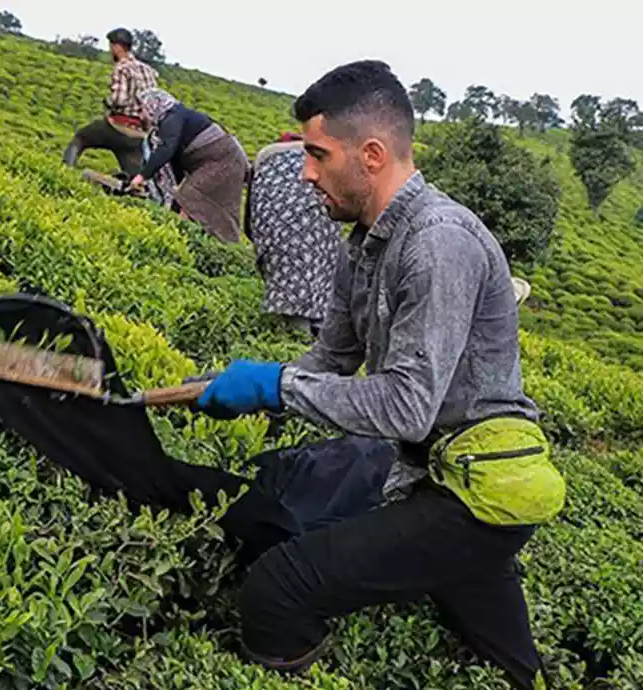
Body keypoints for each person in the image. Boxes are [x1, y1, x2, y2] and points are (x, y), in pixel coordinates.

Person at [190, 60, 565, 690]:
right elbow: (329, 363)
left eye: (316, 154)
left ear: (369, 154)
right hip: (429, 472)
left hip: (478, 491)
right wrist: (236, 389)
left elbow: (405, 408)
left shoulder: (438, 243)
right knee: (509, 666)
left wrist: (274, 384)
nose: (305, 172)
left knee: (279, 588)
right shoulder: (362, 246)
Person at [244, 131, 344, 336]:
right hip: (322, 227)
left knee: (290, 284)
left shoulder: (267, 156)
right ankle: (316, 335)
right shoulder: (319, 157)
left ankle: (298, 339)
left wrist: (253, 235)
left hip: (277, 227)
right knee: (319, 278)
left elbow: (251, 207)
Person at [127, 88, 251, 243]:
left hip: (223, 159)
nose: (140, 116)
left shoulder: (172, 117)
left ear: (153, 104)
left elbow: (167, 149)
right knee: (189, 200)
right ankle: (192, 240)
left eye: (141, 110)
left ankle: (185, 239)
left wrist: (142, 176)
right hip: (216, 160)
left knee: (190, 195)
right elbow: (175, 162)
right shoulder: (169, 120)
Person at [62, 28, 158, 176]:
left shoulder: (121, 67)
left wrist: (108, 101)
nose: (110, 51)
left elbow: (120, 100)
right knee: (135, 176)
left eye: (111, 47)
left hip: (118, 126)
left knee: (80, 138)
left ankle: (64, 172)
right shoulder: (148, 71)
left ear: (117, 47)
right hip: (138, 133)